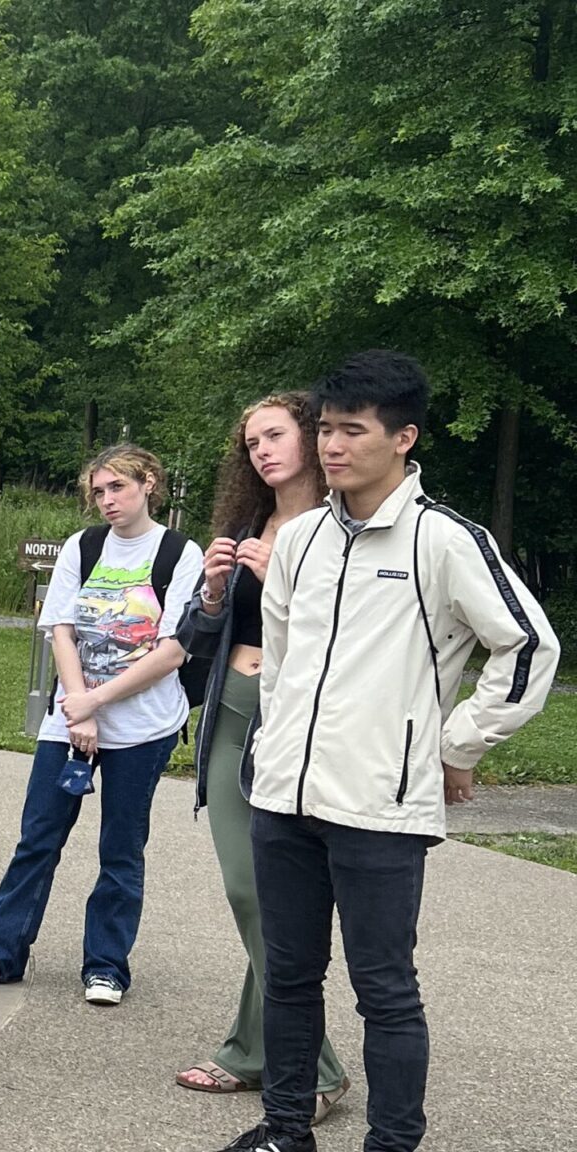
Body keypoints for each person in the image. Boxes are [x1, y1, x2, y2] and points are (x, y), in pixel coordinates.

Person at [205, 351, 559, 1152]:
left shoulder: (444, 541)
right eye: (324, 428)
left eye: (351, 430)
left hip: (379, 807)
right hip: (284, 798)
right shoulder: (300, 543)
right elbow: (288, 665)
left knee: (385, 990)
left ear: (402, 438)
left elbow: (530, 648)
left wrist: (456, 744)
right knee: (289, 979)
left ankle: (393, 1140)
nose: (331, 445)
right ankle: (286, 1128)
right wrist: (272, 754)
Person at [0, 443, 202, 1005]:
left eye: (119, 488)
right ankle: (1, 952)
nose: (107, 500)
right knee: (38, 837)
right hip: (71, 717)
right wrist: (79, 703)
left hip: (141, 724)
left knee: (121, 845)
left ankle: (106, 965)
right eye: (99, 491)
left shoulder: (180, 554)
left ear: (150, 483)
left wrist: (96, 704)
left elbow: (171, 651)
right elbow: (60, 628)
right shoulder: (82, 547)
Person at [173, 394, 349, 1121]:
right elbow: (197, 637)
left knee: (267, 895)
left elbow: (345, 634)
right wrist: (214, 592)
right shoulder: (248, 526)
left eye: (275, 435)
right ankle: (265, 1052)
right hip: (230, 717)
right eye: (251, 443)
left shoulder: (341, 530)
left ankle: (305, 1064)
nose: (263, 451)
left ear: (310, 435)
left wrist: (283, 577)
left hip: (298, 725)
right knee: (249, 890)